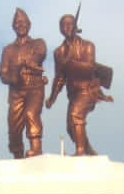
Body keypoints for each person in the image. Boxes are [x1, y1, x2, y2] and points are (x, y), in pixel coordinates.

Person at [45, 13, 108, 156]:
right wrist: (52, 98)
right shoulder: (58, 52)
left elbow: (90, 68)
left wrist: (70, 63)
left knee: (75, 115)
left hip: (88, 90)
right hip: (73, 93)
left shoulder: (88, 46)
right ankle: (89, 151)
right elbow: (60, 78)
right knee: (70, 127)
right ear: (60, 29)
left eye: (70, 24)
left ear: (75, 26)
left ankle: (80, 152)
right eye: (63, 25)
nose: (67, 27)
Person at [0, 7, 47, 159]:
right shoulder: (8, 50)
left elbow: (39, 55)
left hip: (34, 86)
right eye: (17, 23)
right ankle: (17, 154)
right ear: (13, 26)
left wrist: (27, 63)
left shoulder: (38, 43)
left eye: (23, 22)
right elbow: (3, 72)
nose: (21, 25)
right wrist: (12, 77)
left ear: (29, 25)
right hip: (16, 90)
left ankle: (36, 149)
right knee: (14, 126)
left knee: (31, 113)